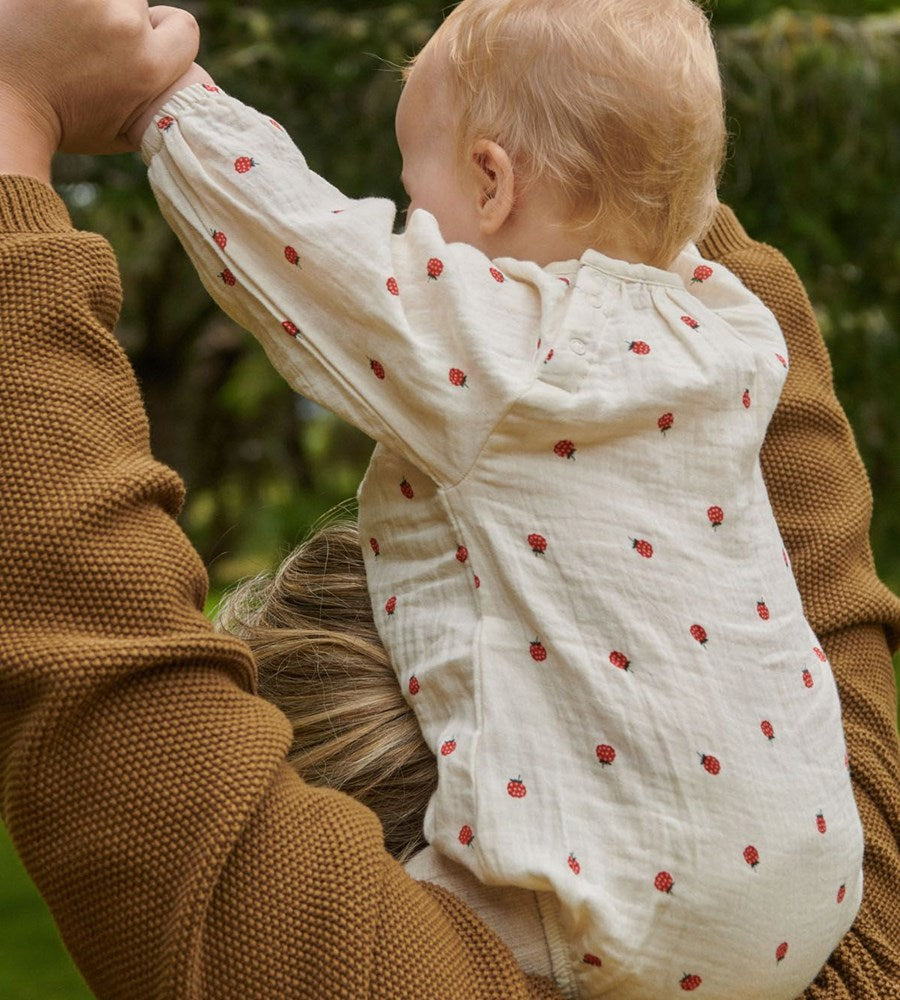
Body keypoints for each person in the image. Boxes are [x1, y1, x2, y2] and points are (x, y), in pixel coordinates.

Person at [0, 2, 898, 999]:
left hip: (629, 931)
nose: (407, 225)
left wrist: (164, 103)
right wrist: (636, 140)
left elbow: (310, 253)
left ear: (489, 179)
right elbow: (830, 564)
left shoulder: (519, 356)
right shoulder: (732, 337)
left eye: (412, 188)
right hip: (812, 893)